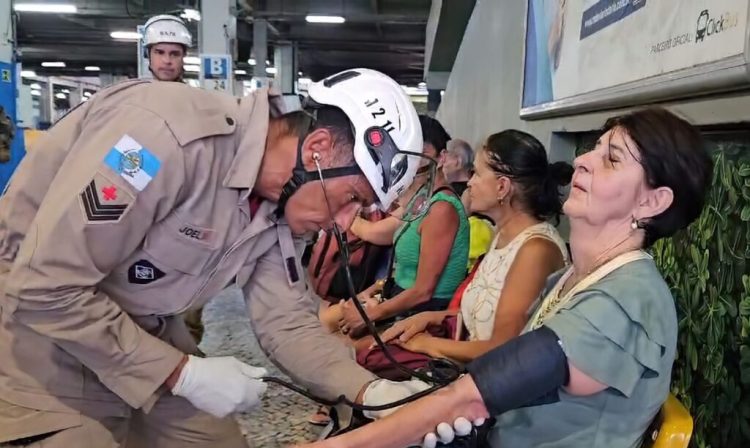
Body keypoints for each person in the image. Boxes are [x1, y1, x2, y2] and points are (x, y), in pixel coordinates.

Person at [0, 68, 435, 447]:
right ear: (316, 148)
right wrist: (180, 374)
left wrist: (373, 393)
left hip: (141, 327)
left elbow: (285, 322)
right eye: (350, 199)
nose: (343, 224)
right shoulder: (163, 136)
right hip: (35, 328)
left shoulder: (284, 206)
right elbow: (44, 286)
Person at [296, 107, 713, 448]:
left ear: (653, 201)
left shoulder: (626, 299)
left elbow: (473, 394)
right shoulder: (576, 276)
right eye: (595, 149)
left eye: (612, 159)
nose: (584, 160)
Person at [380, 130, 571, 364]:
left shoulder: (535, 251)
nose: (469, 183)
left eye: (477, 174)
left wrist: (428, 344)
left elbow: (504, 350)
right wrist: (431, 317)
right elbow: (484, 316)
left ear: (502, 187)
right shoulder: (503, 235)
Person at [335, 115, 470, 337]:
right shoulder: (419, 200)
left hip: (423, 314)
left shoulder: (441, 209)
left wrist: (371, 313)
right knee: (329, 322)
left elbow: (423, 291)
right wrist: (369, 295)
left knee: (336, 346)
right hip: (400, 301)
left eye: (422, 151)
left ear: (442, 157)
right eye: (408, 149)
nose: (412, 158)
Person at [143, 15, 191, 82]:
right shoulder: (134, 92)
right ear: (148, 55)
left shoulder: (194, 93)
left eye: (175, 54)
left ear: (183, 56)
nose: (167, 61)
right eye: (160, 52)